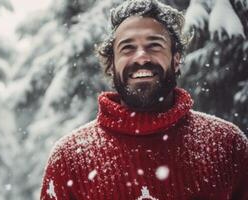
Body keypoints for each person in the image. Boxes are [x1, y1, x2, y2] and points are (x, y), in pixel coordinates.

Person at [39, 0, 248, 199]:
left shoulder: (228, 146)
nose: (141, 57)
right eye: (127, 48)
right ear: (111, 65)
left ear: (176, 59)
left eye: (154, 45)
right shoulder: (69, 159)